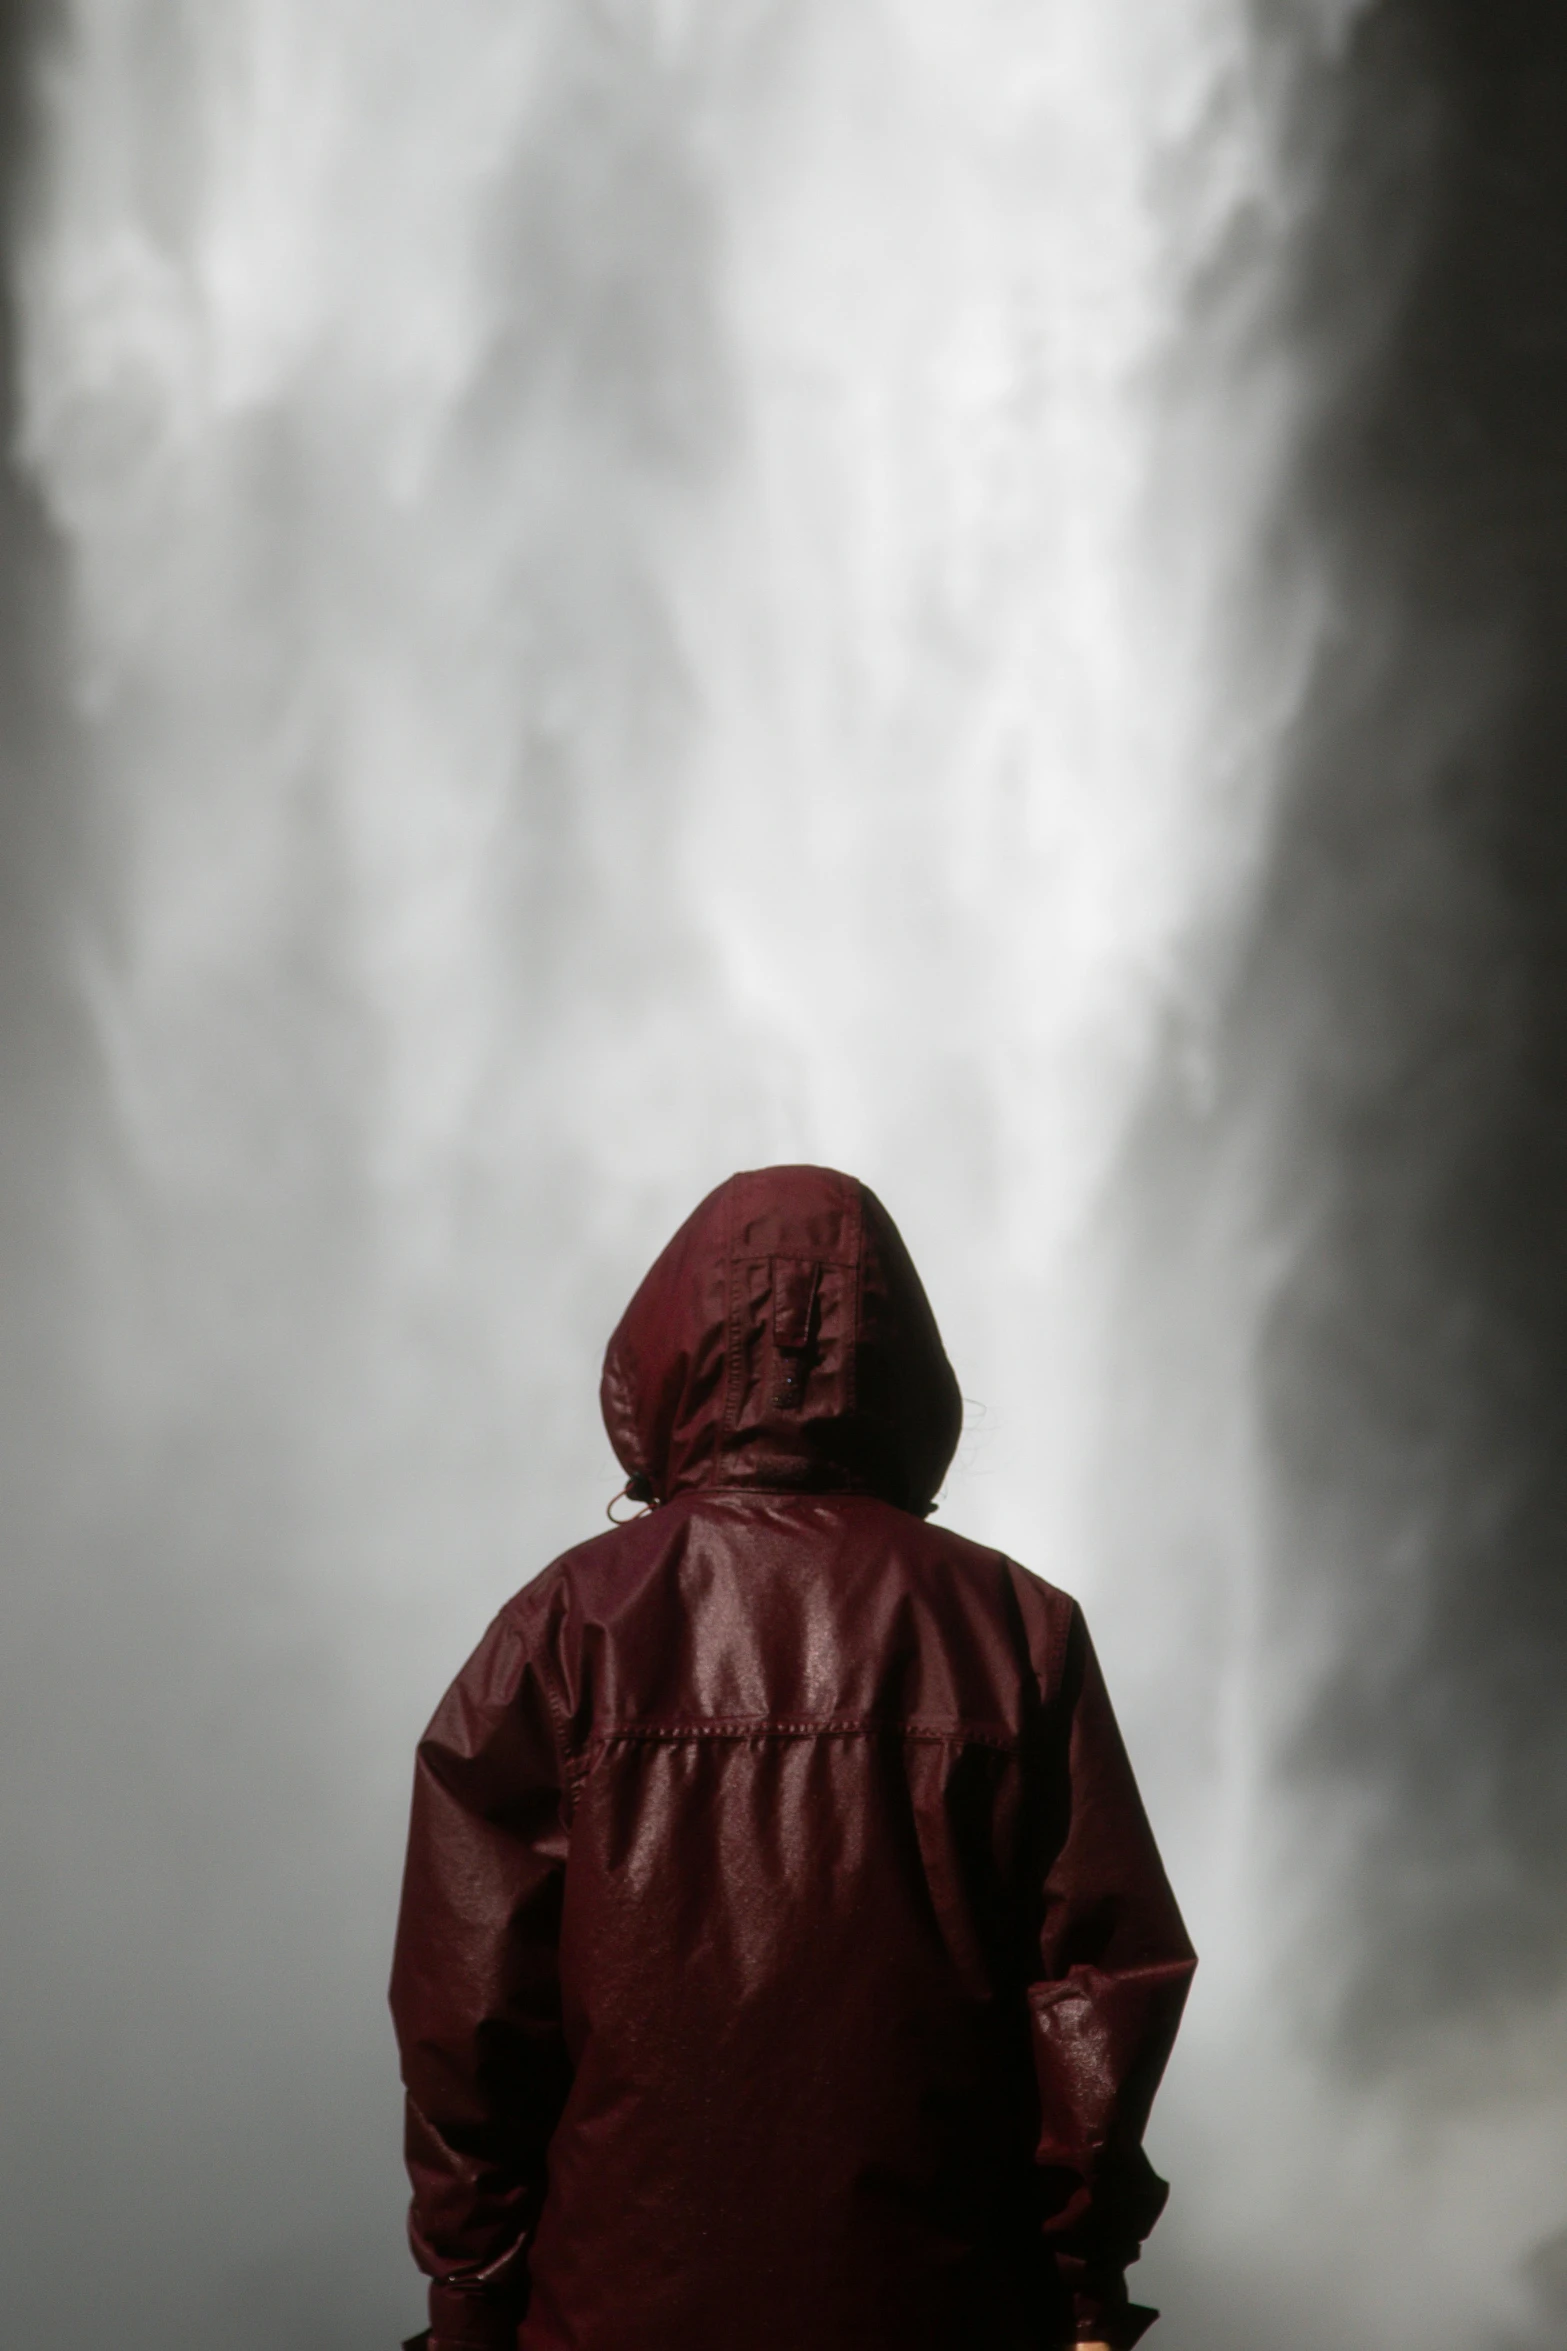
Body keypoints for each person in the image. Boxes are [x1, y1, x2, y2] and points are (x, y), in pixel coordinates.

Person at [389, 1164, 1195, 2351]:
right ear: (902, 1362)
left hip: (609, 2310)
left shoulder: (564, 1628)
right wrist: (1082, 2288)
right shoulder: (1020, 1629)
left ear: (667, 1349)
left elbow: (468, 2022)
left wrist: (471, 2295)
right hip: (946, 2308)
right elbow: (1098, 1993)